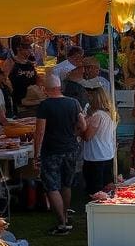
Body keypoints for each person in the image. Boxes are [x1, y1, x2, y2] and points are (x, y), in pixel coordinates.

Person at [34, 74, 86, 235]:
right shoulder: (73, 102)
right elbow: (83, 125)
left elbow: (40, 131)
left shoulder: (45, 105)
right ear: (60, 87)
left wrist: (36, 153)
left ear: (46, 89)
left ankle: (62, 223)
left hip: (51, 149)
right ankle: (65, 216)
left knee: (52, 186)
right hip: (70, 147)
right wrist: (74, 134)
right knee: (66, 184)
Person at [81, 86, 117, 195]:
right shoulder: (110, 114)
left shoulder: (98, 115)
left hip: (96, 155)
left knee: (95, 188)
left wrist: (80, 131)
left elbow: (88, 136)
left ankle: (96, 206)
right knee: (107, 184)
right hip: (107, 153)